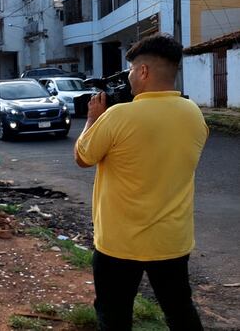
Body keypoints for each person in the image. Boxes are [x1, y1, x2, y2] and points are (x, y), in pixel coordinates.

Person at [74, 33, 207, 331]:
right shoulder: (194, 114)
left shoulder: (117, 116)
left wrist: (93, 119)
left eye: (132, 70)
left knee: (114, 314)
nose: (130, 76)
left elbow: (83, 157)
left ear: (144, 71)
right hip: (172, 241)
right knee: (179, 310)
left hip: (119, 244)